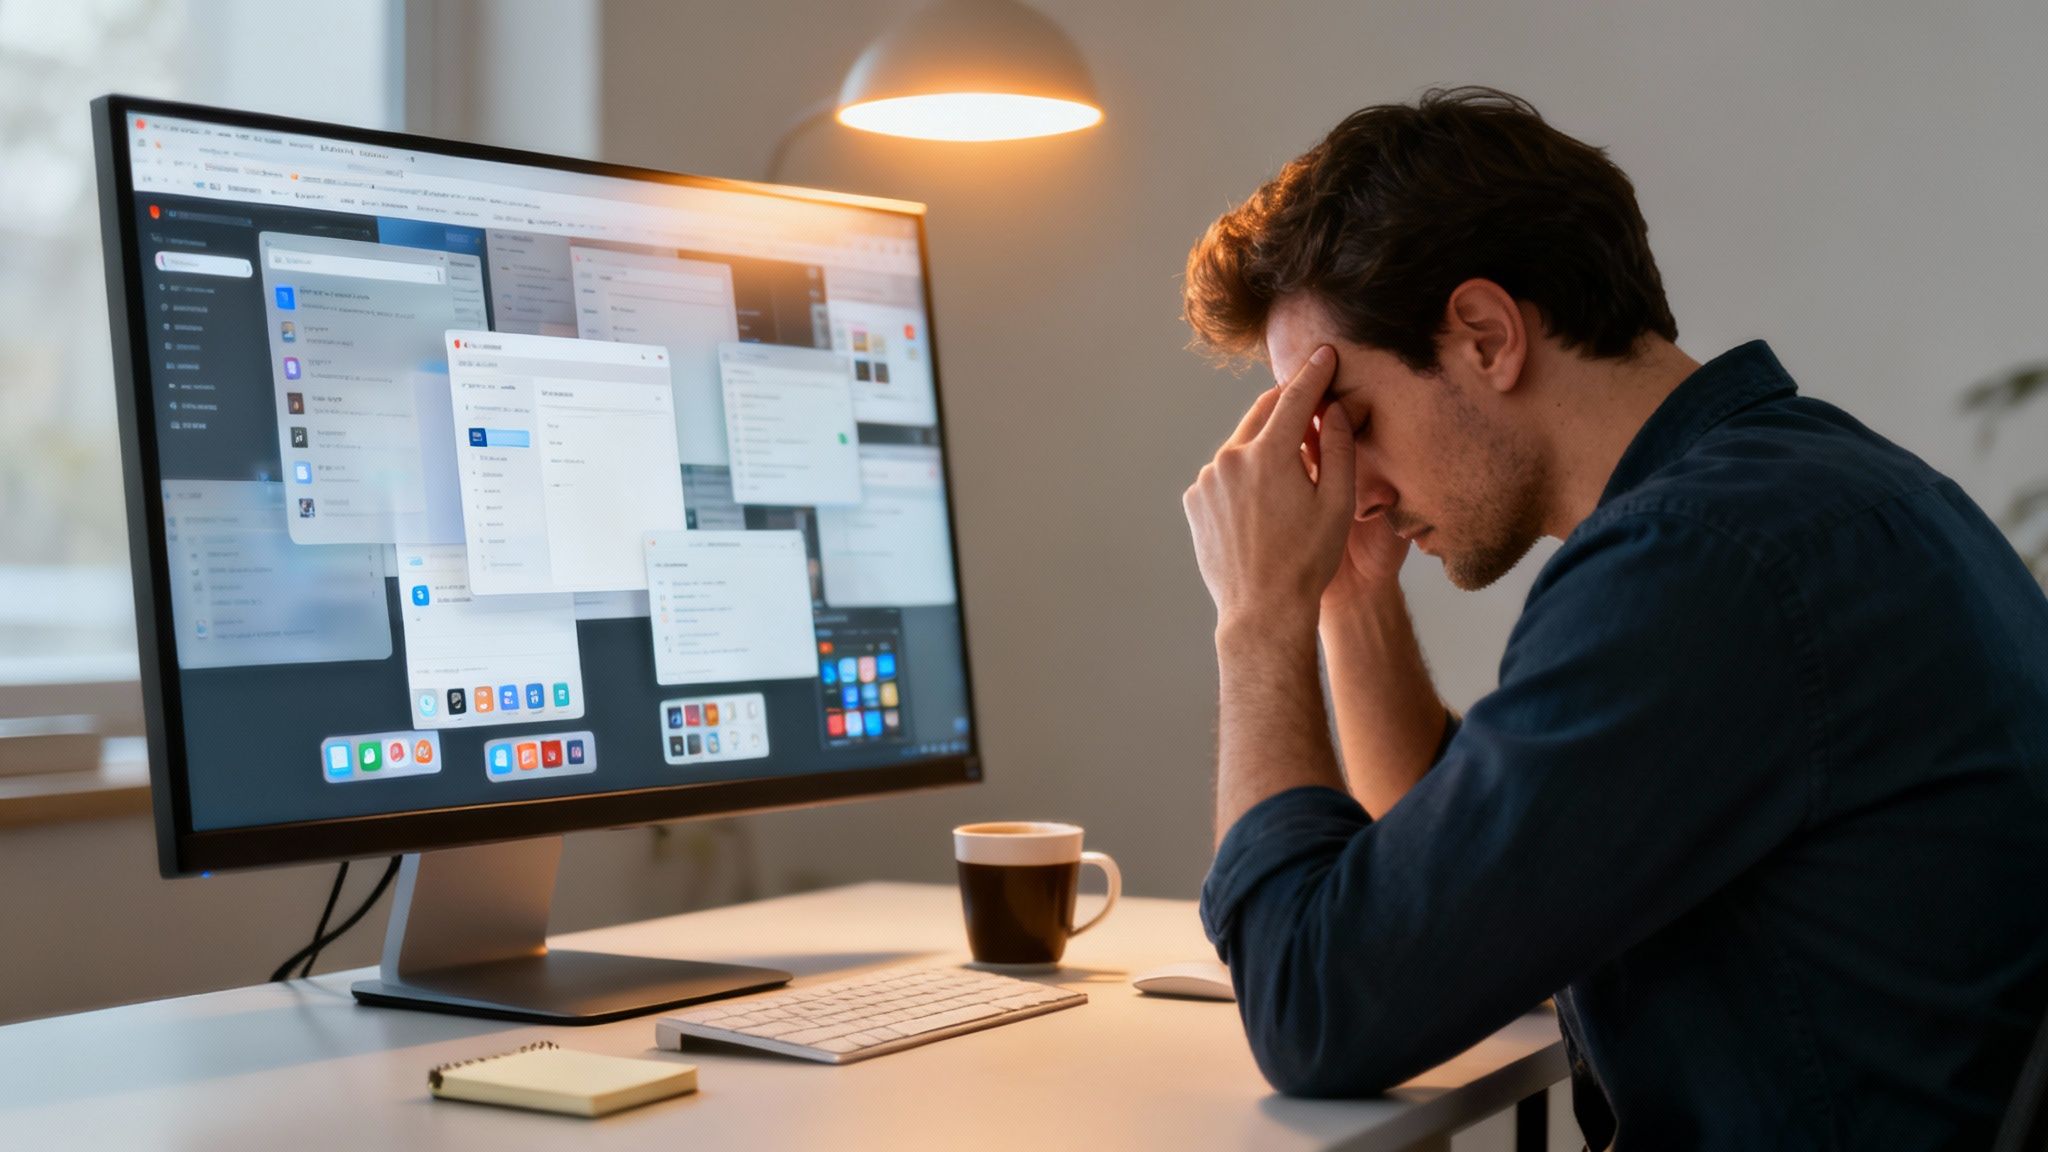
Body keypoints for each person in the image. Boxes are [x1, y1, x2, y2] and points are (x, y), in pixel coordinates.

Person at [1177, 86, 2048, 1149]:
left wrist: (1254, 617)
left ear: (1485, 336)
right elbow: (1451, 906)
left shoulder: (1694, 567)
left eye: (1348, 418)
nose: (1350, 481)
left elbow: (1315, 1007)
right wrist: (1345, 596)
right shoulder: (1809, 493)